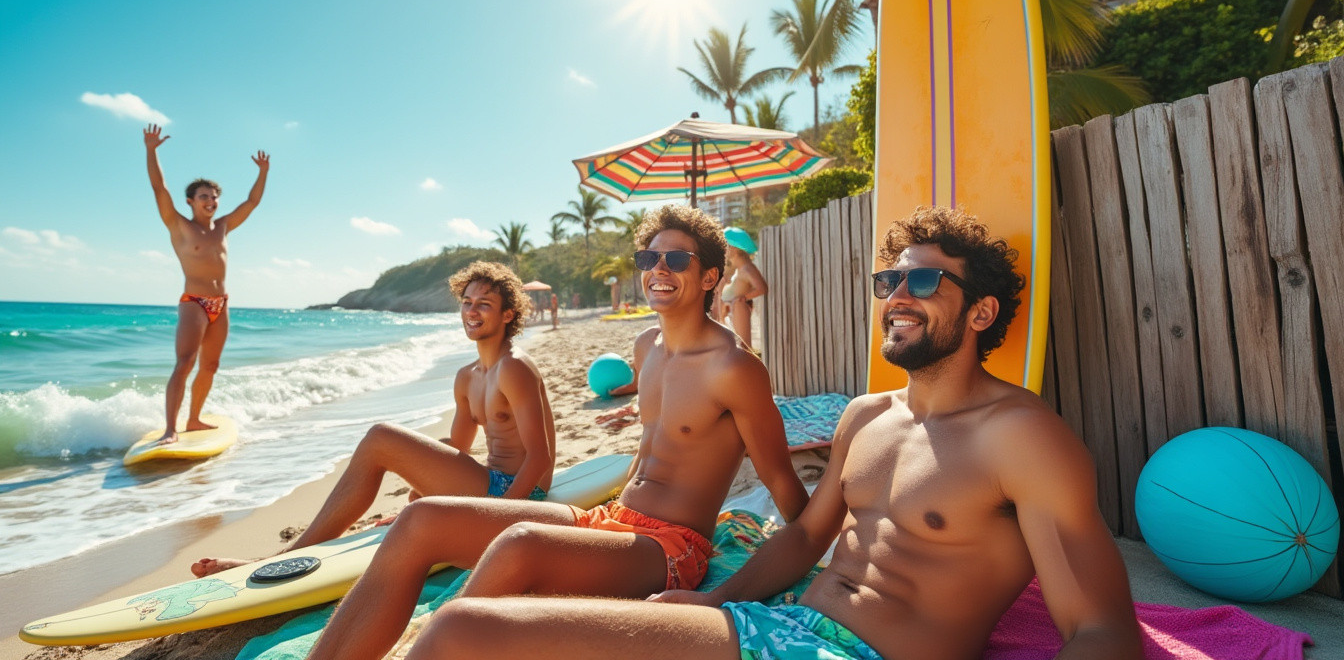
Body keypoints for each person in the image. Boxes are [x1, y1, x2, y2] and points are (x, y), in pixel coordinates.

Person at [414, 206, 1144, 660]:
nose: (896, 295)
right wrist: (714, 601)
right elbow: (800, 538)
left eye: (922, 283)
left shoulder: (1021, 436)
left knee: (457, 637)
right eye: (888, 281)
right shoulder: (867, 416)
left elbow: (1103, 631)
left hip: (865, 651)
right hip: (782, 626)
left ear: (980, 314)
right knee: (475, 630)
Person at [306, 204, 810, 660]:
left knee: (518, 543)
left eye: (677, 261)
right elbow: (651, 447)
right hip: (611, 518)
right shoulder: (645, 347)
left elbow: (784, 487)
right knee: (421, 519)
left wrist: (820, 550)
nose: (658, 270)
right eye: (648, 259)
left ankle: (448, 644)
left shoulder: (733, 367)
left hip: (669, 548)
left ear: (709, 277)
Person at [190, 261, 556, 577]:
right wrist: (416, 499)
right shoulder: (467, 376)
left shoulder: (514, 367)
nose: (471, 311)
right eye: (467, 302)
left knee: (381, 438)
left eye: (485, 304)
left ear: (508, 315)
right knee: (399, 451)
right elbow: (456, 450)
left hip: (519, 495)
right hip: (490, 484)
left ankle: (285, 557)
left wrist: (498, 515)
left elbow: (540, 458)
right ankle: (302, 550)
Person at [143, 124, 269, 446]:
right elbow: (159, 188)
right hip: (194, 303)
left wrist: (263, 171)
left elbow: (252, 202)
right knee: (185, 363)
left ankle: (195, 419)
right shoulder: (178, 225)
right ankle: (170, 429)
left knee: (210, 366)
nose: (211, 201)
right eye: (204, 197)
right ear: (190, 201)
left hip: (221, 303)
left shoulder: (224, 226)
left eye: (214, 196)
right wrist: (152, 149)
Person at [721, 226, 767, 350]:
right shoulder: (741, 269)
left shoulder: (747, 268)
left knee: (744, 347)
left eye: (726, 246)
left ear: (735, 249)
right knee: (738, 346)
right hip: (736, 308)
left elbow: (762, 288)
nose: (724, 250)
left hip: (740, 307)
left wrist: (742, 298)